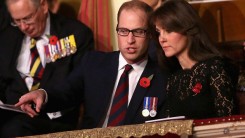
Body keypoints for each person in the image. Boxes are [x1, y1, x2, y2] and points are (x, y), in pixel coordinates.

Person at [15, 0, 168, 136]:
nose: (130, 40)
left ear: (150, 34)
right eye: (123, 31)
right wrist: (42, 94)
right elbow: (66, 91)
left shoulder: (162, 75)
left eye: (138, 32)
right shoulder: (94, 63)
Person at [0, 0, 94, 137]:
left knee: (14, 128)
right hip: (12, 113)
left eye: (27, 18)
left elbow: (78, 85)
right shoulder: (8, 37)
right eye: (17, 21)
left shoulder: (76, 34)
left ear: (43, 6)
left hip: (52, 117)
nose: (23, 26)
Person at [151, 0, 237, 119]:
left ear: (187, 28)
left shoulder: (214, 68)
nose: (162, 39)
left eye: (168, 30)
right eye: (159, 32)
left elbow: (229, 125)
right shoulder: (173, 79)